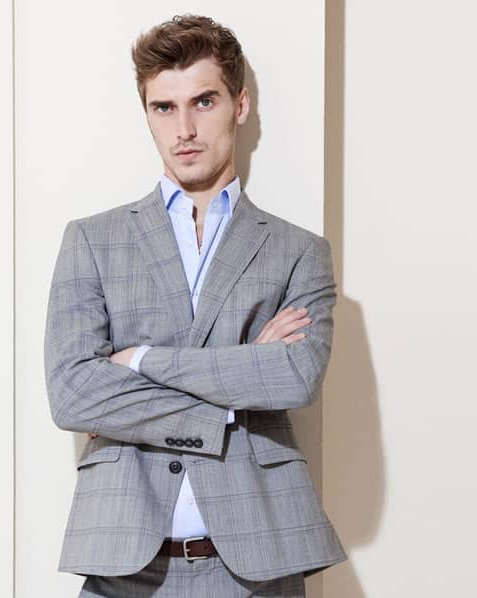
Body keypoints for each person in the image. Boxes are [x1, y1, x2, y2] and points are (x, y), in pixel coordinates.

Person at [44, 14, 347, 597]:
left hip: (259, 564)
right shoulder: (92, 241)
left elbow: (294, 378)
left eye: (204, 102)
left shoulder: (299, 251)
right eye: (164, 107)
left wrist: (139, 360)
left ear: (240, 105)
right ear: (147, 115)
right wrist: (237, 388)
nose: (184, 128)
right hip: (123, 565)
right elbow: (74, 394)